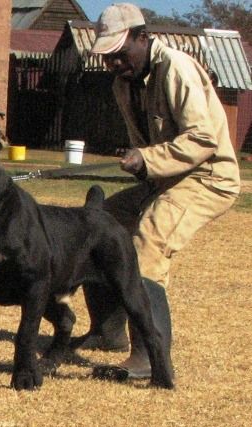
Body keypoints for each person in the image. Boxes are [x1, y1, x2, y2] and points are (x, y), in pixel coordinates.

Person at [71, 3, 241, 379]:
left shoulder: (176, 67)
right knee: (98, 225)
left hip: (207, 178)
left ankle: (149, 357)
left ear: (142, 37)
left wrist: (148, 158)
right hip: (165, 179)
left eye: (119, 52)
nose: (113, 63)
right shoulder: (122, 84)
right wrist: (143, 163)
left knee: (147, 243)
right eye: (107, 57)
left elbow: (203, 139)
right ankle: (106, 332)